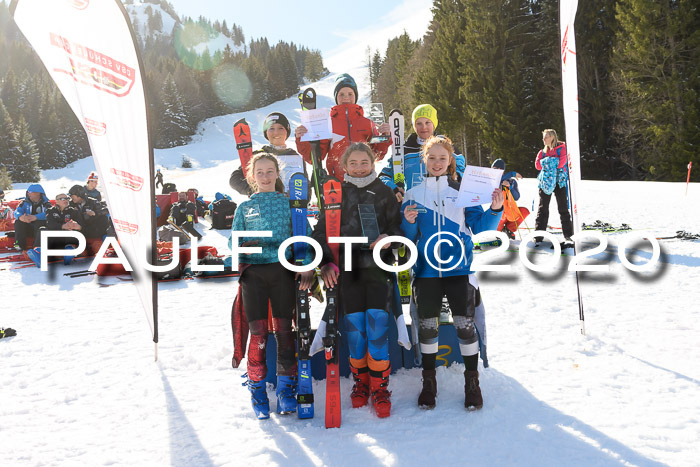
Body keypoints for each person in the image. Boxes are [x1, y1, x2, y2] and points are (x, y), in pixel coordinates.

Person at [401, 135, 503, 410]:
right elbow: (409, 238)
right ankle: (428, 383)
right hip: (427, 272)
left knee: (465, 327)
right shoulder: (412, 194)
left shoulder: (463, 193)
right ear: (424, 159)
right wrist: (407, 222)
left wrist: (495, 209)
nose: (437, 163)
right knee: (428, 327)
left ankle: (473, 383)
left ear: (451, 161)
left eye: (442, 158)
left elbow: (481, 228)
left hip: (460, 270)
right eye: (431, 158)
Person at [312, 142, 402, 418]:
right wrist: (324, 263)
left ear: (373, 163)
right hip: (347, 268)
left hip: (378, 267)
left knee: (376, 329)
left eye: (365, 162)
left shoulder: (385, 192)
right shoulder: (336, 192)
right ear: (344, 166)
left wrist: (390, 239)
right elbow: (320, 233)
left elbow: (397, 228)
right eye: (354, 163)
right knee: (355, 331)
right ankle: (361, 384)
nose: (360, 167)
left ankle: (380, 387)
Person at [232, 153, 315, 420]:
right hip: (253, 275)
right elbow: (233, 243)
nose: (265, 177)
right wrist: (243, 247)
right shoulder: (244, 208)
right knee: (258, 334)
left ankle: (286, 391)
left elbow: (306, 238)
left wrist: (307, 264)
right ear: (251, 176)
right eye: (260, 172)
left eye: (270, 171)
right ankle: (257, 391)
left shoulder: (289, 204)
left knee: (284, 332)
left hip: (282, 272)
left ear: (278, 174)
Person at [294, 73, 391, 183]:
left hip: (365, 182)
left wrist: (385, 136)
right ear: (336, 97)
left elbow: (377, 154)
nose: (346, 97)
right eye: (341, 94)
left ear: (356, 96)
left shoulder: (367, 123)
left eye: (350, 93)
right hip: (337, 184)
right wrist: (302, 139)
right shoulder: (327, 124)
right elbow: (315, 158)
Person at [379, 104, 465, 202]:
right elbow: (383, 177)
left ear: (434, 124)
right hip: (414, 207)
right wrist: (392, 189)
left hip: (443, 205)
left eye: (427, 122)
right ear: (414, 125)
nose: (423, 127)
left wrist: (455, 179)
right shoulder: (404, 151)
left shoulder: (446, 147)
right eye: (419, 123)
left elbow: (462, 172)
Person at [229, 112, 309, 198]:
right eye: (271, 128)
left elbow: (306, 184)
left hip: (290, 208)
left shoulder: (295, 156)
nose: (276, 132)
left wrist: (302, 200)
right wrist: (258, 189)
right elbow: (235, 180)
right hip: (264, 206)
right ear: (266, 132)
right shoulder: (258, 155)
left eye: (281, 128)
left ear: (287, 131)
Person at [534, 129, 573, 243]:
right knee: (542, 209)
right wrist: (552, 162)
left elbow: (561, 163)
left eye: (546, 137)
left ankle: (569, 235)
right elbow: (537, 166)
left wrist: (546, 162)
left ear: (552, 137)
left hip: (559, 182)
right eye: (543, 137)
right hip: (545, 183)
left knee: (563, 209)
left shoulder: (562, 149)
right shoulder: (542, 152)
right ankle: (538, 236)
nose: (543, 139)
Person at [491, 158, 528, 239]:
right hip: (498, 214)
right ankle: (498, 232)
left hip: (510, 211)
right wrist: (511, 174)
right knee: (498, 215)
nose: (497, 171)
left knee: (524, 211)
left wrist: (510, 187)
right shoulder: (491, 181)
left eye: (500, 169)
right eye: (495, 169)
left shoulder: (512, 181)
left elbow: (516, 197)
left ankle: (509, 229)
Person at [13, 184, 51, 251]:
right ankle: (19, 245)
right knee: (18, 222)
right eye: (28, 192)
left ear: (38, 193)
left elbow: (49, 214)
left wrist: (36, 217)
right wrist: (21, 217)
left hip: (40, 229)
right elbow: (17, 211)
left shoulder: (46, 204)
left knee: (39, 222)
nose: (28, 193)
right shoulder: (24, 203)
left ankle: (37, 247)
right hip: (29, 228)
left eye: (30, 192)